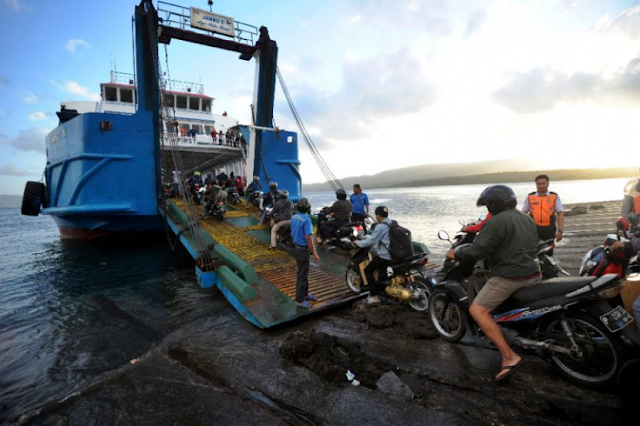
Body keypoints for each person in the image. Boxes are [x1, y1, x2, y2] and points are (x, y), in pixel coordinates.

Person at [446, 185, 541, 382]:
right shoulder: (525, 217)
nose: (488, 209)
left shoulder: (496, 222)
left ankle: (509, 356)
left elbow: (476, 252)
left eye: (488, 205)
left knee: (477, 310)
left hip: (511, 276)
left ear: (494, 205)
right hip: (533, 271)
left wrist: (456, 253)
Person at [354, 206, 394, 306]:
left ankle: (374, 296)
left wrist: (358, 242)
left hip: (385, 256)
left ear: (378, 215)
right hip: (395, 255)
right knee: (382, 272)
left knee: (367, 270)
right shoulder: (392, 223)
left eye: (376, 215)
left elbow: (372, 241)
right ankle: (382, 289)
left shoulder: (380, 226)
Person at [289, 197, 319, 308]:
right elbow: (308, 238)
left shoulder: (294, 216)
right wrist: (315, 254)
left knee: (304, 272)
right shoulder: (306, 219)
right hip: (302, 250)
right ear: (308, 208)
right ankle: (299, 300)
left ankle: (305, 294)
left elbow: (292, 232)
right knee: (302, 275)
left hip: (295, 248)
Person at [522, 174, 564, 245]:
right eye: (539, 184)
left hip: (549, 228)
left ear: (548, 184)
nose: (541, 185)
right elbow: (523, 213)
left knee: (548, 251)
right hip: (534, 228)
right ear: (536, 184)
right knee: (532, 250)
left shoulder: (554, 196)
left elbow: (560, 213)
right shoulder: (530, 196)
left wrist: (560, 230)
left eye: (543, 183)